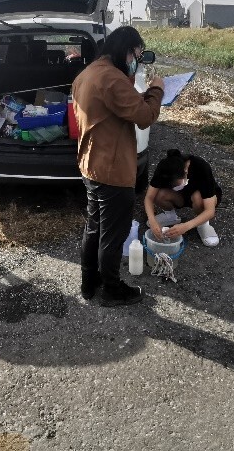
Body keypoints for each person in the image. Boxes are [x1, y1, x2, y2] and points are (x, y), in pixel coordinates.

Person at [72, 26, 164, 306]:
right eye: (137, 54)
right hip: (112, 170)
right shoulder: (113, 79)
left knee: (94, 227)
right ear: (126, 51)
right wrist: (157, 89)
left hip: (90, 165)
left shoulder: (87, 73)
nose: (138, 59)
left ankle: (89, 283)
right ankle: (112, 289)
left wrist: (131, 78)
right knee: (113, 236)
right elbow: (145, 115)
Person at [144, 149, 222, 247]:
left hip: (203, 198)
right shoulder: (164, 168)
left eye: (175, 184)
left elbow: (210, 211)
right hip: (181, 196)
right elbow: (149, 197)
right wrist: (152, 220)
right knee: (159, 194)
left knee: (198, 198)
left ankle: (203, 224)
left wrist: (186, 226)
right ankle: (170, 216)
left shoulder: (201, 167)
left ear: (186, 172)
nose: (172, 186)